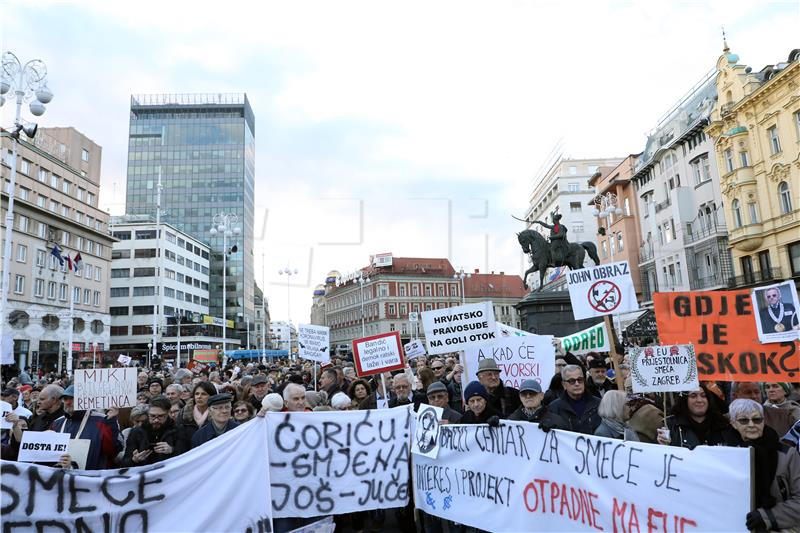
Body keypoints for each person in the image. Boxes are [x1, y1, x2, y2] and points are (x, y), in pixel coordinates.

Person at [724, 399, 800, 532]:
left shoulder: (788, 454)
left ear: (764, 421)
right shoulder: (723, 454)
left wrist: (766, 517)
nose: (751, 424)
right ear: (733, 424)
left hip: (779, 527)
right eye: (743, 420)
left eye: (757, 419)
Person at [50, 385, 123, 470]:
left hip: (91, 478)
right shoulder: (57, 423)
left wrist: (111, 423)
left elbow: (114, 450)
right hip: (62, 478)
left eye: (72, 399)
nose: (68, 402)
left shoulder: (102, 420)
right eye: (65, 399)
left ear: (84, 400)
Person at [657, 385, 729, 449]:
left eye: (703, 396)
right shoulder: (670, 426)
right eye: (693, 396)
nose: (699, 400)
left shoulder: (722, 425)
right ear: (685, 400)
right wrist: (664, 446)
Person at [122, 395, 181, 466]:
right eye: (152, 416)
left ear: (168, 413)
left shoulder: (178, 430)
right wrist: (134, 460)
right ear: (148, 413)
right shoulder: (136, 432)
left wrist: (172, 450)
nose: (156, 420)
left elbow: (187, 457)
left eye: (160, 416)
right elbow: (125, 462)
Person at [547, 365, 602, 435]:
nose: (577, 384)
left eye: (580, 380)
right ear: (564, 384)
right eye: (572, 381)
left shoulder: (599, 404)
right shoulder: (554, 408)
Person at [175, 381, 216, 453]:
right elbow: (180, 440)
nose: (199, 397)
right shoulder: (183, 414)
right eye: (197, 394)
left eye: (204, 394)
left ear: (211, 396)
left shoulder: (217, 415)